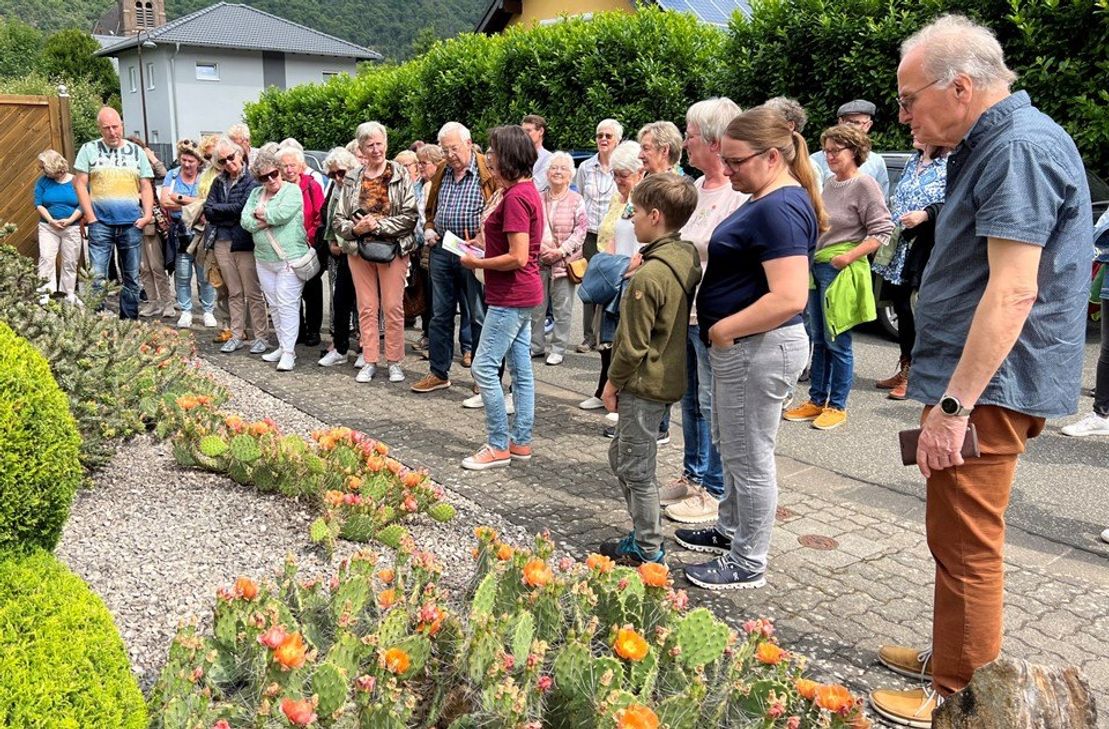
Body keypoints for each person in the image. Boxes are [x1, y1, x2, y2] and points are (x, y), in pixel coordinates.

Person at [869, 15, 1092, 727]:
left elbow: (1013, 289)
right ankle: (946, 658)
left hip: (986, 386)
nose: (901, 115)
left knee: (966, 544)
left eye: (908, 100)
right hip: (973, 379)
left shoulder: (1017, 149)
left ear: (959, 86)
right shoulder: (989, 142)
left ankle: (957, 692)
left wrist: (955, 406)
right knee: (950, 532)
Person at [675, 105, 821, 589]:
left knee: (749, 456)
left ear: (773, 156)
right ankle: (732, 530)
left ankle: (747, 561)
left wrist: (724, 329)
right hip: (748, 345)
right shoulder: (773, 198)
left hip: (756, 346)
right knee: (734, 446)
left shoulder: (779, 207)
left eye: (737, 161)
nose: (729, 169)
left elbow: (790, 296)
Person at [596, 173, 701, 565]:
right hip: (665, 376)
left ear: (655, 216)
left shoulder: (649, 276)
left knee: (637, 470)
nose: (631, 218)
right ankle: (643, 533)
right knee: (621, 456)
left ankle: (648, 547)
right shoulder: (684, 254)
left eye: (634, 211)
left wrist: (612, 383)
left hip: (644, 383)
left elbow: (633, 344)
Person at [662, 97, 748, 526]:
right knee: (692, 401)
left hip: (716, 315)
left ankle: (713, 489)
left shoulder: (738, 193)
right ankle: (692, 474)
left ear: (713, 142)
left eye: (691, 134)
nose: (686, 141)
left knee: (714, 405)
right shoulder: (695, 188)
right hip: (687, 311)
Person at [783, 124, 892, 430]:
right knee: (819, 338)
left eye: (836, 150)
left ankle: (837, 405)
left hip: (840, 269)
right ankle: (817, 400)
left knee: (838, 341)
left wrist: (849, 257)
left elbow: (882, 229)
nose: (829, 156)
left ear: (855, 151)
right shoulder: (829, 183)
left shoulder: (865, 184)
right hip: (818, 267)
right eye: (826, 150)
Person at [458, 125, 543, 469]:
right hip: (521, 293)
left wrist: (476, 261)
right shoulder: (524, 192)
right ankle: (520, 441)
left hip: (511, 294)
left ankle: (497, 445)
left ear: (507, 157)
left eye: (492, 152)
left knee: (483, 367)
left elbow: (518, 256)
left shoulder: (516, 198)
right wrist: (480, 246)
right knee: (521, 370)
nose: (488, 158)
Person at [412, 121, 497, 394]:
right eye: (445, 150)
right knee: (440, 313)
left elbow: (499, 206)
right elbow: (430, 209)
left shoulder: (487, 171)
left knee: (478, 314)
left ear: (469, 144)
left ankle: (482, 376)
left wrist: (485, 237)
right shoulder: (442, 173)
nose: (450, 155)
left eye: (454, 149)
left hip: (474, 252)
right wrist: (428, 228)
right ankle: (439, 372)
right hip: (442, 250)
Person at [332, 122, 419, 384]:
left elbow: (410, 216)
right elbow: (338, 220)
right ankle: (369, 360)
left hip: (393, 250)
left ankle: (394, 361)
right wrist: (357, 229)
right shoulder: (352, 178)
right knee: (366, 307)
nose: (375, 149)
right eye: (369, 145)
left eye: (379, 143)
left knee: (393, 307)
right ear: (361, 148)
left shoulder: (400, 173)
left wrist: (378, 225)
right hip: (359, 251)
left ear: (386, 144)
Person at [872, 141, 949, 399]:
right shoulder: (911, 162)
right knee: (900, 306)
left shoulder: (949, 163)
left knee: (917, 309)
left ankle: (918, 375)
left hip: (926, 246)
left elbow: (954, 204)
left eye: (919, 129)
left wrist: (925, 215)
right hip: (900, 244)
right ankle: (906, 367)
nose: (913, 132)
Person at [578, 141, 644, 411]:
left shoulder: (646, 200)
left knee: (627, 344)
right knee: (608, 341)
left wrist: (625, 269)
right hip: (616, 275)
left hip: (634, 277)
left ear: (639, 173)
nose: (617, 180)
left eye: (623, 175)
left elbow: (647, 249)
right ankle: (604, 391)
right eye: (615, 174)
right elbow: (610, 236)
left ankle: (624, 402)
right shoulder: (620, 200)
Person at [72, 107, 153, 319]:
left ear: (122, 125)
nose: (112, 132)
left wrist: (146, 216)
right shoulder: (88, 149)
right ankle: (97, 320)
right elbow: (80, 184)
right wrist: (90, 216)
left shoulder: (136, 152)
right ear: (100, 129)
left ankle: (129, 321)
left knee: (132, 277)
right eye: (106, 128)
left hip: (131, 223)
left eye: (115, 127)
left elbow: (146, 185)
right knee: (97, 276)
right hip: (100, 223)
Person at [240, 148, 310, 372]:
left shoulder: (292, 191)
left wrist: (262, 215)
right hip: (264, 259)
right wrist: (266, 219)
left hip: (288, 257)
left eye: (274, 174)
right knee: (275, 306)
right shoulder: (255, 194)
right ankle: (282, 345)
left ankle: (289, 353)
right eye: (264, 177)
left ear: (280, 171)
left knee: (288, 304)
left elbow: (282, 215)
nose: (270, 180)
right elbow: (245, 221)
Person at [204, 136, 268, 353]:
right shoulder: (217, 182)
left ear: (239, 155)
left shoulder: (252, 180)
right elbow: (208, 210)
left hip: (244, 242)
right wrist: (228, 211)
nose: (228, 163)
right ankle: (237, 333)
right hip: (222, 240)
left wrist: (223, 210)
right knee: (233, 291)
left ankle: (260, 336)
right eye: (222, 161)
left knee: (253, 291)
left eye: (230, 157)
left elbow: (244, 209)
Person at [530, 151, 587, 365]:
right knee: (536, 307)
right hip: (539, 259)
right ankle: (535, 346)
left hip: (565, 262)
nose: (558, 172)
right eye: (554, 167)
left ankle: (558, 348)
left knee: (562, 308)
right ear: (547, 172)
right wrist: (542, 247)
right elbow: (530, 226)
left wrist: (560, 251)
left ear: (571, 174)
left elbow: (581, 231)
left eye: (563, 168)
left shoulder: (576, 200)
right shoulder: (537, 197)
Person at [574, 118, 622, 352]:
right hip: (591, 235)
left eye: (608, 136)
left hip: (614, 236)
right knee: (590, 284)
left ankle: (607, 335)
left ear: (618, 140)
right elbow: (580, 199)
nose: (603, 139)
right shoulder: (585, 168)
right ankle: (587, 336)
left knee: (612, 284)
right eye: (599, 135)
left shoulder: (623, 167)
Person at [161, 139, 215, 329]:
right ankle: (185, 310)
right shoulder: (172, 176)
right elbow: (165, 202)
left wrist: (180, 198)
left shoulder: (206, 177)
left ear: (199, 161)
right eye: (183, 159)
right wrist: (195, 203)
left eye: (191, 161)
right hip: (180, 231)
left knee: (204, 274)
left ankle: (208, 310)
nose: (186, 164)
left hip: (200, 231)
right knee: (182, 274)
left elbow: (208, 203)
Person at [276, 146, 325, 348]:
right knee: (290, 290)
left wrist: (309, 236)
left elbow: (320, 215)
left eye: (292, 165)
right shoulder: (278, 188)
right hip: (285, 247)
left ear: (300, 166)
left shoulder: (311, 186)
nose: (288, 170)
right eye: (285, 166)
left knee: (312, 290)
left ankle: (314, 330)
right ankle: (298, 330)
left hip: (307, 245)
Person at [318, 147, 361, 367]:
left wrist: (346, 240)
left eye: (341, 173)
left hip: (360, 251)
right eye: (332, 174)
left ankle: (366, 349)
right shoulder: (334, 189)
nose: (337, 177)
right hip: (340, 252)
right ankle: (341, 347)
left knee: (365, 303)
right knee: (340, 300)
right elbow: (327, 217)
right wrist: (331, 242)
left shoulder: (360, 186)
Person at [128, 136, 175, 319]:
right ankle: (152, 302)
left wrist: (151, 156)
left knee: (156, 265)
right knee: (143, 267)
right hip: (130, 220)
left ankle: (167, 302)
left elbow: (164, 173)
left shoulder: (145, 168)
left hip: (150, 221)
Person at [810, 100, 891, 197]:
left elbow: (882, 201)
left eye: (856, 122)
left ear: (868, 125)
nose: (850, 127)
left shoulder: (876, 162)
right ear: (840, 122)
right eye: (848, 122)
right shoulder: (816, 160)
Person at [33, 149, 82, 302]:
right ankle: (45, 295)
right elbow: (38, 204)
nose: (42, 170)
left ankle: (68, 293)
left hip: (71, 227)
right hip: (48, 228)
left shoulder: (75, 182)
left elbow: (82, 205)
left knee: (70, 261)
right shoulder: (42, 182)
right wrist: (51, 221)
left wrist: (69, 220)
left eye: (44, 167)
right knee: (46, 259)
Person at [413, 144, 445, 351]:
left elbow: (428, 216)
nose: (420, 167)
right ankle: (430, 336)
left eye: (423, 163)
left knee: (440, 299)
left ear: (436, 164)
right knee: (429, 296)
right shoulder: (420, 185)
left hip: (438, 244)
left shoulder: (439, 184)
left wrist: (429, 230)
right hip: (424, 247)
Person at [763, 96, 824, 193]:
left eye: (771, 122)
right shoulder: (764, 159)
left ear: (790, 126)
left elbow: (815, 202)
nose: (765, 127)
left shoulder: (810, 166)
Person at [521, 114, 552, 193]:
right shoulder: (517, 155)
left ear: (541, 131)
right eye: (523, 131)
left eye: (528, 131)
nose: (524, 135)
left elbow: (536, 186)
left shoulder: (549, 158)